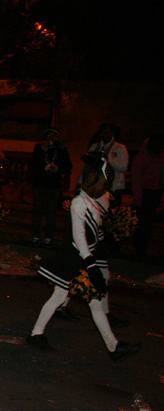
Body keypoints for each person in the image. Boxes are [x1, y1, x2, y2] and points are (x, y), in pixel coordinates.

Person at [27, 153, 141, 363]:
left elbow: (92, 233)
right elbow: (79, 237)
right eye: (103, 184)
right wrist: (91, 264)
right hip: (73, 260)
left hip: (83, 259)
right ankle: (112, 347)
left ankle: (113, 347)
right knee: (64, 299)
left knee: (82, 301)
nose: (105, 189)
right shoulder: (79, 203)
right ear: (90, 180)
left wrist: (101, 244)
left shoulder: (93, 202)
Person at [30, 128, 72, 248]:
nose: (51, 139)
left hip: (53, 186)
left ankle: (49, 238)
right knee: (38, 212)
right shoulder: (39, 148)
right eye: (49, 136)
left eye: (54, 136)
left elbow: (68, 166)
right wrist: (43, 152)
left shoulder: (61, 150)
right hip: (40, 185)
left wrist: (58, 169)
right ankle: (36, 237)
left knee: (51, 213)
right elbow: (34, 163)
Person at [131, 133, 164, 259]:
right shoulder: (141, 157)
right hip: (144, 193)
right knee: (143, 224)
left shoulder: (161, 158)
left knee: (149, 225)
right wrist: (138, 201)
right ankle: (140, 251)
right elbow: (136, 180)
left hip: (157, 193)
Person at [87, 123, 128, 209]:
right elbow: (88, 168)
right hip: (96, 187)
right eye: (102, 133)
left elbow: (123, 167)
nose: (104, 135)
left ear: (112, 133)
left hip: (114, 188)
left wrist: (108, 159)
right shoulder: (94, 147)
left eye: (107, 132)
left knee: (112, 213)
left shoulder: (119, 148)